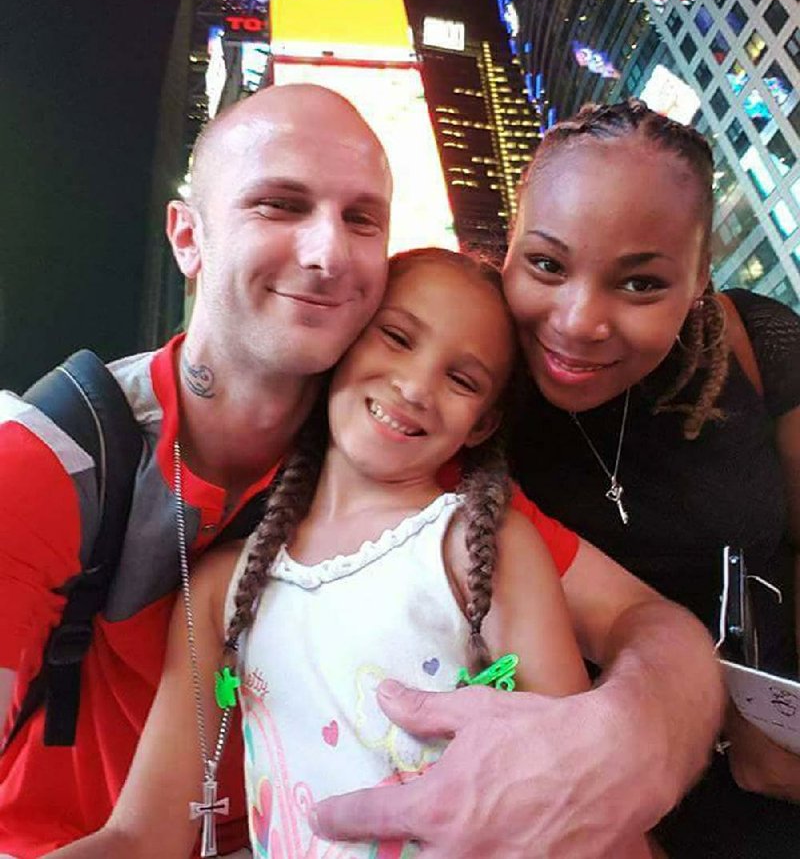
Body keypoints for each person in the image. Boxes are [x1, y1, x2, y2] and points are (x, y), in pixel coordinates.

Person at [0, 84, 720, 859]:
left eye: (361, 218)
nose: (325, 252)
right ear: (188, 235)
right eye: (279, 204)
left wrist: (616, 747)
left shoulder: (422, 484)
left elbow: (644, 627)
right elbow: (142, 837)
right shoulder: (52, 464)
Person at [53, 248, 654, 858]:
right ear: (343, 344)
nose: (416, 386)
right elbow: (143, 835)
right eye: (396, 337)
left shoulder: (481, 548)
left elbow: (584, 802)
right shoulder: (221, 587)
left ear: (481, 423)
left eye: (462, 379)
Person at [501, 99, 800, 857]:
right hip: (605, 815)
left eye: (639, 285)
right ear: (509, 242)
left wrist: (778, 717)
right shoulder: (465, 385)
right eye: (547, 264)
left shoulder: (755, 343)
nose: (579, 321)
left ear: (700, 276)